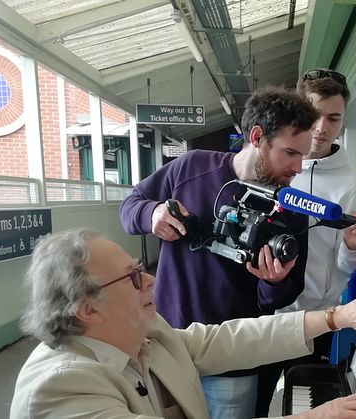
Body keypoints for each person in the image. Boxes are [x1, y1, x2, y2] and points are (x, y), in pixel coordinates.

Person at [9, 229, 356, 419]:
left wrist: (337, 317)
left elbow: (225, 340)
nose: (150, 280)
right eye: (132, 277)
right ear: (87, 309)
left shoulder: (146, 332)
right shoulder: (59, 390)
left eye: (140, 269)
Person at [119, 86, 319, 418]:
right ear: (257, 137)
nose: (298, 167)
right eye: (290, 153)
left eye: (303, 155)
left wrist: (273, 282)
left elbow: (284, 294)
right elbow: (129, 205)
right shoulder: (191, 167)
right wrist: (151, 213)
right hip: (167, 345)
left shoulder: (292, 210)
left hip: (233, 362)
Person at [255, 69, 356, 416]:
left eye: (334, 118)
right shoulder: (273, 167)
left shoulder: (352, 184)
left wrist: (352, 247)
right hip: (264, 314)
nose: (322, 127)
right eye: (315, 114)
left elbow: (343, 267)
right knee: (259, 402)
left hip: (316, 322)